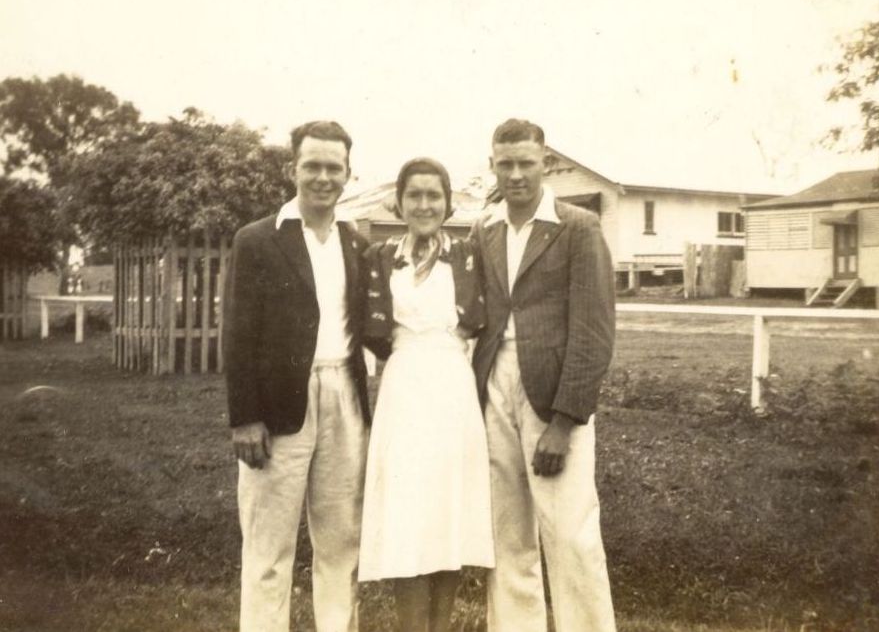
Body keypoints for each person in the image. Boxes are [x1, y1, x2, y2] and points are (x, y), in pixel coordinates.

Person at [223, 120, 371, 632]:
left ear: (348, 174)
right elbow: (238, 335)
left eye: (334, 167)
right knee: (268, 545)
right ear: (293, 169)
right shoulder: (258, 240)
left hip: (345, 400)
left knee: (342, 540)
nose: (323, 177)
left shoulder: (355, 241)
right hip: (279, 405)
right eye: (313, 165)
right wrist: (245, 418)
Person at [470, 119, 617, 632]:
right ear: (492, 164)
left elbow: (593, 331)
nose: (515, 174)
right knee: (507, 532)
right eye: (504, 163)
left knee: (570, 531)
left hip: (551, 393)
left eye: (525, 163)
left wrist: (564, 420)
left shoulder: (578, 227)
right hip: (493, 389)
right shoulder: (482, 227)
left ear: (545, 162)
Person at [358, 157, 494, 632]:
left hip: (453, 391)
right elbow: (371, 330)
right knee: (408, 515)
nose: (424, 204)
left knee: (446, 516)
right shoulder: (378, 257)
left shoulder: (469, 254)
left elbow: (481, 320)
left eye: (433, 195)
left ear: (448, 202)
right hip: (404, 389)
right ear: (398, 202)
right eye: (414, 195)